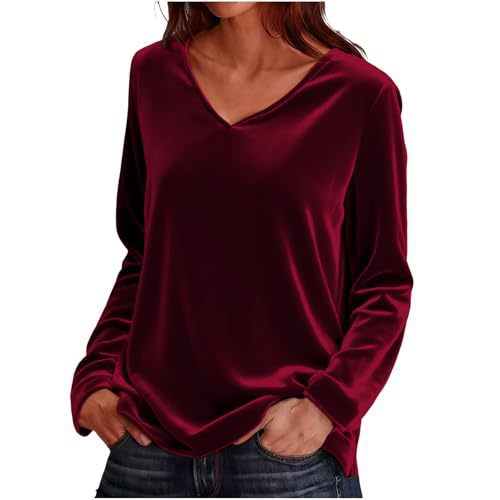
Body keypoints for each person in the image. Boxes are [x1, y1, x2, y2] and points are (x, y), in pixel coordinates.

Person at [70, 2, 413, 497]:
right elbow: (144, 255)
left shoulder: (361, 95)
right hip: (146, 448)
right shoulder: (152, 74)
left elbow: (383, 284)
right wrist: (96, 376)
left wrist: (328, 407)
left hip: (286, 462)